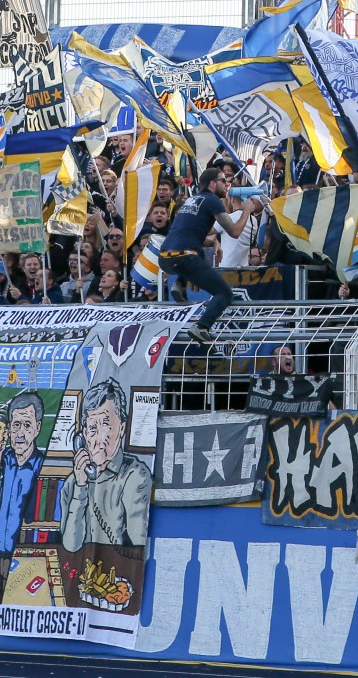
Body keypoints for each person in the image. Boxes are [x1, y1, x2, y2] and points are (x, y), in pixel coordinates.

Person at [159, 167, 264, 344]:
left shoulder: (192, 200)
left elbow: (195, 234)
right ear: (213, 184)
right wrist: (246, 210)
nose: (227, 184)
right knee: (224, 293)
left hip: (165, 257)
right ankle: (202, 326)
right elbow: (235, 232)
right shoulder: (212, 200)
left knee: (197, 250)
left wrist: (215, 242)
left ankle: (179, 283)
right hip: (185, 257)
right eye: (223, 180)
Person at [60, 378, 151, 550]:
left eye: (107, 425)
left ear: (122, 428)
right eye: (93, 429)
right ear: (84, 435)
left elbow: (137, 545)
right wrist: (81, 486)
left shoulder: (135, 476)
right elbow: (71, 547)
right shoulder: (72, 483)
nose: (100, 438)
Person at [0, 390, 45, 603]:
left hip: (23, 557)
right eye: (15, 425)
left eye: (27, 425)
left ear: (37, 428)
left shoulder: (42, 467)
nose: (20, 433)